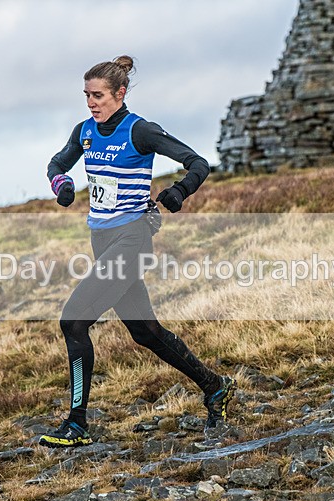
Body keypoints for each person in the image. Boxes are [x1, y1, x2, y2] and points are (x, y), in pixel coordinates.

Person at [39, 55, 235, 448]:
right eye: (86, 96)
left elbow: (198, 162)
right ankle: (215, 387)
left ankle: (77, 424)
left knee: (73, 321)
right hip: (102, 239)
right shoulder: (86, 132)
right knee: (144, 331)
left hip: (132, 240)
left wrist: (178, 191)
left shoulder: (140, 130)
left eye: (98, 95)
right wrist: (61, 184)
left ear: (120, 93)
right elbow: (56, 164)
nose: (91, 103)